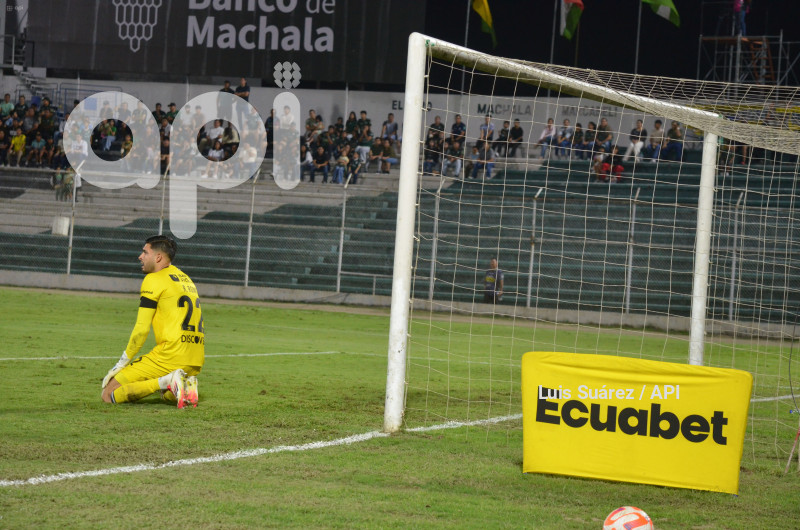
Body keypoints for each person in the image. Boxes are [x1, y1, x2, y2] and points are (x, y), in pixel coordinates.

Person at [101, 236, 204, 408]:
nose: (140, 256)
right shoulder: (185, 278)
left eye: (145, 252)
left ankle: (166, 381)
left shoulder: (153, 279)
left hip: (170, 355)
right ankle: (182, 386)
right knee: (164, 393)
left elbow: (141, 329)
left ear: (158, 257)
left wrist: (121, 363)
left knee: (108, 393)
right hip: (195, 358)